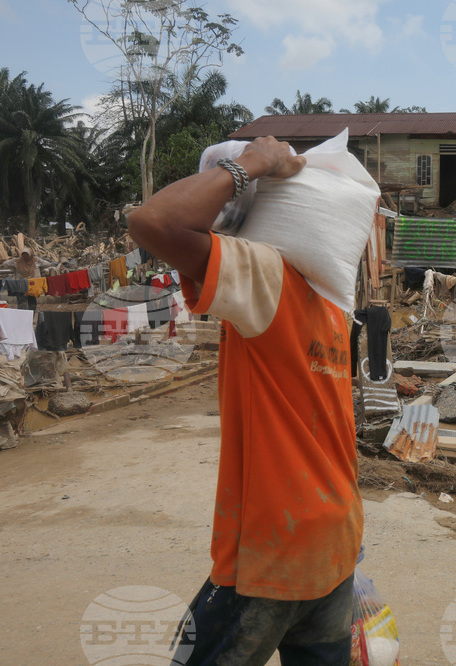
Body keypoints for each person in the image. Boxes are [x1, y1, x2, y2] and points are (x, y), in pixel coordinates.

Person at [127, 136, 362, 664]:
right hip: (336, 539)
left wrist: (254, 162)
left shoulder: (265, 275)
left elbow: (152, 222)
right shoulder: (333, 305)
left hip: (273, 549)